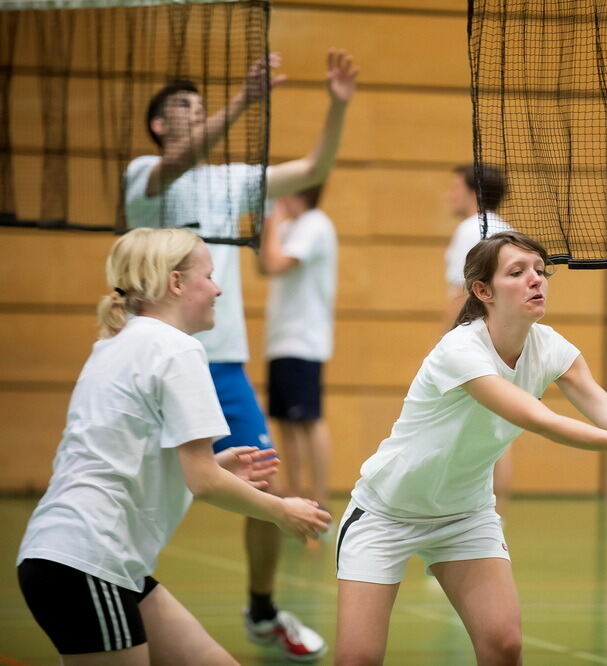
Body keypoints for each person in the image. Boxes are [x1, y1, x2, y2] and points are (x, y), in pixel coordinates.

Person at [334, 231, 607, 665]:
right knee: (358, 659)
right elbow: (536, 418)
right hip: (385, 513)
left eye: (541, 272)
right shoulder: (460, 350)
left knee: (504, 646)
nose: (536, 280)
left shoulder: (551, 346)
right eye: (518, 272)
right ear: (482, 291)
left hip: (464, 515)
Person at [124, 48, 357, 661]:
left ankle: (260, 608)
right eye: (184, 107)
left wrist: (336, 106)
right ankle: (114, 579)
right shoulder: (146, 174)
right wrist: (243, 102)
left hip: (220, 362)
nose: (196, 115)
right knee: (133, 481)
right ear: (159, 125)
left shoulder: (233, 179)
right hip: (146, 358)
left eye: (203, 106)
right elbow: (178, 160)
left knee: (268, 485)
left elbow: (315, 165)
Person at [16, 228, 332, 666]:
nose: (219, 288)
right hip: (87, 560)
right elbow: (203, 483)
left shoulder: (115, 343)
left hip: (94, 562)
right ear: (177, 283)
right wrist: (282, 511)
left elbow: (136, 458)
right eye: (209, 275)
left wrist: (218, 465)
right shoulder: (176, 349)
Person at [443, 163, 516, 515]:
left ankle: (467, 517)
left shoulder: (470, 229)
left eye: (456, 187)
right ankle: (494, 518)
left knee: (466, 433)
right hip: (506, 343)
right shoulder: (509, 233)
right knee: (499, 432)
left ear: (473, 190)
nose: (450, 194)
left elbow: (460, 294)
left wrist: (444, 344)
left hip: (473, 343)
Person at [259, 184, 337, 505]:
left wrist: (270, 224)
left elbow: (276, 263)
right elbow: (264, 265)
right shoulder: (290, 227)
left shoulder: (315, 224)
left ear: (297, 194)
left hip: (303, 339)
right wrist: (270, 227)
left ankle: (319, 499)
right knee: (286, 422)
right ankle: (295, 494)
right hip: (280, 339)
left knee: (308, 419)